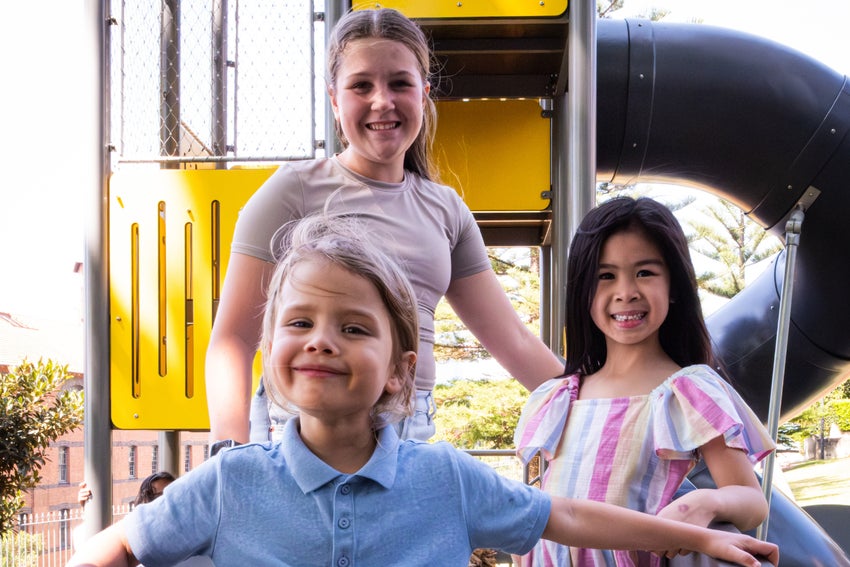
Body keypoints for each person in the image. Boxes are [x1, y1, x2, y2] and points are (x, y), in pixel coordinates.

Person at [68, 215, 778, 567]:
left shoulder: (442, 479)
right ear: (271, 352)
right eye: (299, 322)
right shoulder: (227, 483)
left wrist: (697, 536)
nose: (321, 340)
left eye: (353, 327)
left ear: (401, 370)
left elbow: (565, 514)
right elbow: (122, 543)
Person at [204, 7, 565, 448]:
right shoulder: (292, 191)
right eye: (361, 86)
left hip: (408, 426)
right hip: (306, 425)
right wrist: (229, 449)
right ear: (335, 99)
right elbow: (234, 338)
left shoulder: (445, 210)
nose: (382, 101)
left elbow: (514, 342)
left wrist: (608, 408)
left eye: (399, 83)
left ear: (424, 94)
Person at [513, 196, 777, 566]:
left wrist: (702, 502)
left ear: (674, 287)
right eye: (605, 276)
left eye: (645, 272)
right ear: (583, 291)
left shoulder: (687, 390)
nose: (626, 292)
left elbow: (751, 502)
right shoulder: (560, 395)